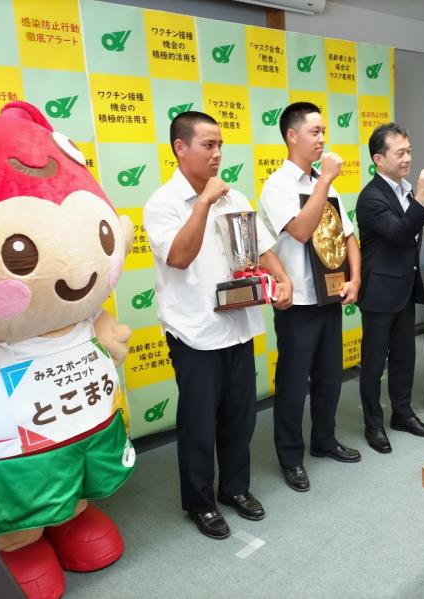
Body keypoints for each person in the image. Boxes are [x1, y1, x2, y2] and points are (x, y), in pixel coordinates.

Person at [143, 111, 293, 540]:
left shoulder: (235, 196)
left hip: (238, 325)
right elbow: (179, 256)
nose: (217, 154)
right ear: (180, 148)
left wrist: (282, 277)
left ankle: (235, 488)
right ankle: (200, 502)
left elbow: (261, 248)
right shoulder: (163, 203)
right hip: (194, 332)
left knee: (240, 417)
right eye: (208, 145)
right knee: (199, 424)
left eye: (220, 145)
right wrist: (204, 202)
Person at [258, 102, 361, 492]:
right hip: (298, 301)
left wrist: (356, 280)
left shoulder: (323, 181)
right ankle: (290, 456)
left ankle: (324, 439)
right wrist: (325, 181)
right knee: (292, 381)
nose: (321, 139)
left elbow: (348, 235)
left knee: (330, 376)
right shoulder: (278, 185)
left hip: (330, 295)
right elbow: (301, 231)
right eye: (314, 132)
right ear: (292, 136)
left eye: (323, 132)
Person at [356, 123, 424, 454]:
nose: (408, 158)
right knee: (374, 363)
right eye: (400, 152)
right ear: (379, 159)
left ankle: (402, 414)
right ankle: (373, 424)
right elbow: (401, 233)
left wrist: (417, 197)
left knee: (405, 356)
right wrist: (423, 197)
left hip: (404, 287)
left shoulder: (404, 190)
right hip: (379, 291)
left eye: (409, 151)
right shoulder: (371, 197)